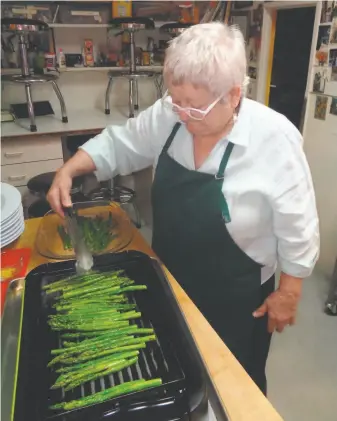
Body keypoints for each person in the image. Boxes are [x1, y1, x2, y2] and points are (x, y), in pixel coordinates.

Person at [47, 22, 319, 395]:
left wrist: (289, 292)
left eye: (196, 105)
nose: (183, 113)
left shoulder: (274, 138)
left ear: (234, 95)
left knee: (234, 386)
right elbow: (123, 143)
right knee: (178, 373)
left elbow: (298, 223)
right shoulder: (171, 114)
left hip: (235, 299)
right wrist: (70, 168)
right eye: (177, 100)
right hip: (171, 277)